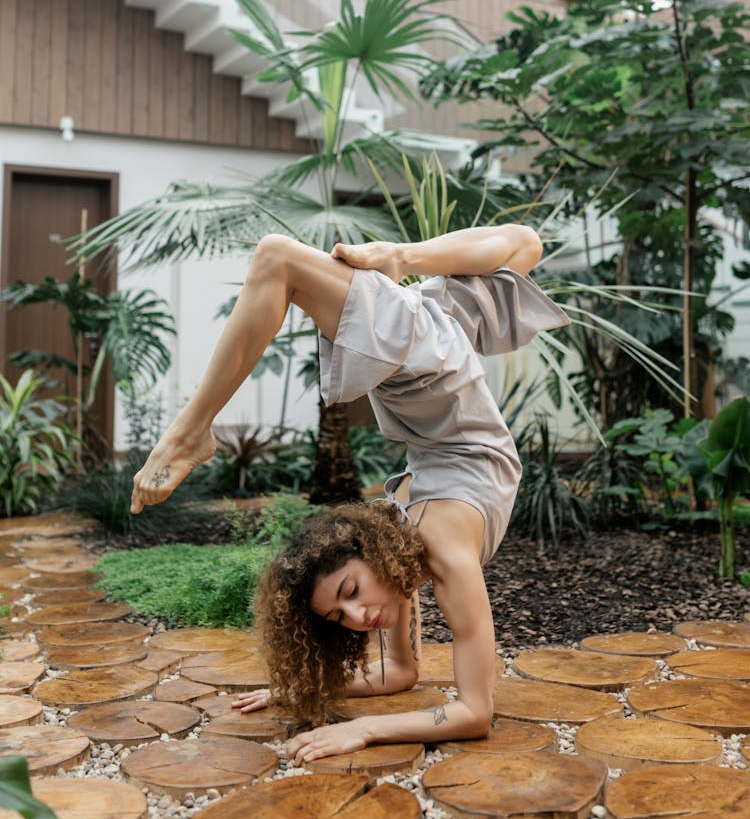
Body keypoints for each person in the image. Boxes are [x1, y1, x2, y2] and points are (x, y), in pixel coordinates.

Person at [129, 225, 570, 764]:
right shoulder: (400, 553)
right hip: (432, 396)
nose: (359, 617)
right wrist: (305, 688)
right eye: (342, 614)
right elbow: (400, 672)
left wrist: (365, 732)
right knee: (521, 246)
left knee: (275, 257)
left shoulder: (437, 551)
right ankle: (398, 258)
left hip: (430, 382)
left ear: (371, 556)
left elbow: (475, 714)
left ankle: (191, 429)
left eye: (350, 592)